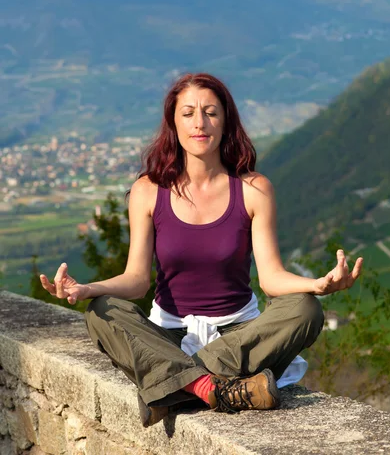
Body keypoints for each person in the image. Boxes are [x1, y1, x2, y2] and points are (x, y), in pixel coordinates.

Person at [40, 72, 363, 428]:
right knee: (101, 310)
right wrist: (87, 289)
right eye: (188, 112)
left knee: (305, 308)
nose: (200, 123)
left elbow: (271, 280)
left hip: (240, 335)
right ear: (173, 123)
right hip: (169, 334)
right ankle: (213, 387)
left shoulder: (254, 189)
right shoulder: (148, 191)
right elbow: (136, 281)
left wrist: (318, 285)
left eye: (210, 112)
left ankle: (171, 383)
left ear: (226, 122)